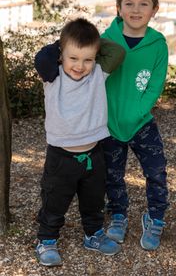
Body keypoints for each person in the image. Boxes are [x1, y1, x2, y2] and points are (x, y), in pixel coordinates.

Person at [34, 18, 125, 266]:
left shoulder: (98, 74)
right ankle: (47, 239)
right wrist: (63, 43)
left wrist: (92, 42)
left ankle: (93, 234)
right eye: (73, 58)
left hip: (94, 152)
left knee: (94, 199)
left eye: (88, 59)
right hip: (61, 156)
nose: (80, 65)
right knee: (55, 200)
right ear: (61, 56)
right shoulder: (52, 76)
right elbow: (41, 58)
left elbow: (117, 52)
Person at [101, 0, 169, 251]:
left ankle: (155, 218)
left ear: (155, 9)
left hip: (142, 123)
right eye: (129, 3)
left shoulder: (158, 45)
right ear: (118, 8)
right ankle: (118, 215)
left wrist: (138, 112)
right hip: (108, 124)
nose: (136, 9)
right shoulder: (105, 41)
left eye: (144, 3)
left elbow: (154, 86)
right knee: (112, 175)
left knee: (157, 172)